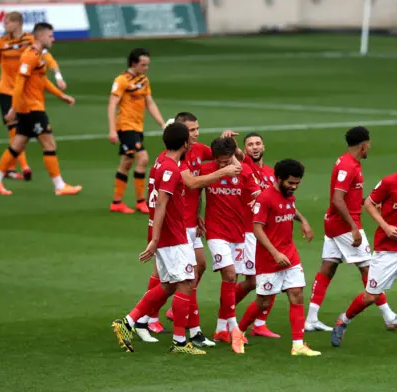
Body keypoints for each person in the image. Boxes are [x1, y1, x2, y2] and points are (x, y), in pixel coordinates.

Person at [111, 121, 241, 354]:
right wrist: (155, 239)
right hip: (172, 234)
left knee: (170, 284)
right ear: (184, 143)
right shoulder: (170, 168)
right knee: (187, 283)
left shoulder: (161, 162)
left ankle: (129, 322)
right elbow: (161, 202)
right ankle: (180, 341)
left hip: (172, 233)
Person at [331, 146, 397, 353]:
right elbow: (370, 203)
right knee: (371, 296)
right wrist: (385, 226)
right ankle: (343, 320)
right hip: (387, 249)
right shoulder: (391, 182)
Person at [305, 126, 397, 332]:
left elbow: (346, 197)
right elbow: (337, 199)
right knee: (369, 269)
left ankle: (311, 318)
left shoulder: (348, 162)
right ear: (364, 145)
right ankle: (389, 316)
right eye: (368, 143)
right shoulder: (348, 166)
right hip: (344, 224)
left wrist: (365, 202)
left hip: (335, 222)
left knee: (328, 268)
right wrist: (353, 227)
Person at [232, 159, 321, 356]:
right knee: (263, 302)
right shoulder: (265, 199)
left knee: (296, 294)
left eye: (297, 183)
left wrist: (303, 221)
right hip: (269, 258)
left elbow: (289, 208)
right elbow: (257, 228)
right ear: (278, 178)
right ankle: (238, 332)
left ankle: (298, 345)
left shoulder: (289, 196)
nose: (294, 187)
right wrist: (274, 253)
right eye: (291, 183)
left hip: (289, 255)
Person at [0, 22, 80, 196]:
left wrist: (61, 95)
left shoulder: (37, 55)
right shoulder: (30, 56)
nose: (53, 39)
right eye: (51, 36)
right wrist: (13, 108)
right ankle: (60, 186)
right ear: (41, 36)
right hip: (31, 109)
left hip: (30, 107)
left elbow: (42, 80)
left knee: (17, 145)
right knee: (49, 144)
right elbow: (20, 82)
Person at [0, 11, 67, 181]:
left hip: (23, 93)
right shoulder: (2, 42)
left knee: (21, 134)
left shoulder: (30, 41)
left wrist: (58, 76)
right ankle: (22, 168)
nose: (4, 26)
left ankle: (4, 174)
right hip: (6, 90)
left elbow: (47, 58)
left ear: (17, 23)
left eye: (7, 22)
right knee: (15, 129)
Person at [199, 137, 261, 344]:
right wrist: (197, 215)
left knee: (231, 280)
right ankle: (234, 328)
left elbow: (258, 195)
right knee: (230, 274)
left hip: (238, 234)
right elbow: (194, 191)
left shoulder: (243, 170)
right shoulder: (206, 169)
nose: (224, 164)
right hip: (216, 232)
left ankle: (220, 329)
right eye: (220, 161)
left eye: (227, 160)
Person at [233, 132, 280, 338]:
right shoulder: (245, 168)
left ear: (264, 147)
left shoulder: (271, 174)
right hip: (245, 232)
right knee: (252, 281)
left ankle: (260, 324)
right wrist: (229, 140)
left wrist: (301, 219)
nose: (255, 147)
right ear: (244, 149)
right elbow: (233, 153)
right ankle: (226, 313)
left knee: (274, 276)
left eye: (258, 143)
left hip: (267, 233)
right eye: (250, 144)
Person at [108, 48, 165, 214]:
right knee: (143, 158)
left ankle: (116, 202)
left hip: (137, 127)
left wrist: (162, 123)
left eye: (147, 65)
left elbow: (150, 103)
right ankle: (141, 201)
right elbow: (112, 104)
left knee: (126, 162)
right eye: (143, 64)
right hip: (125, 127)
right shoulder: (121, 80)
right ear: (134, 63)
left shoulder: (143, 80)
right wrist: (112, 130)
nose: (146, 68)